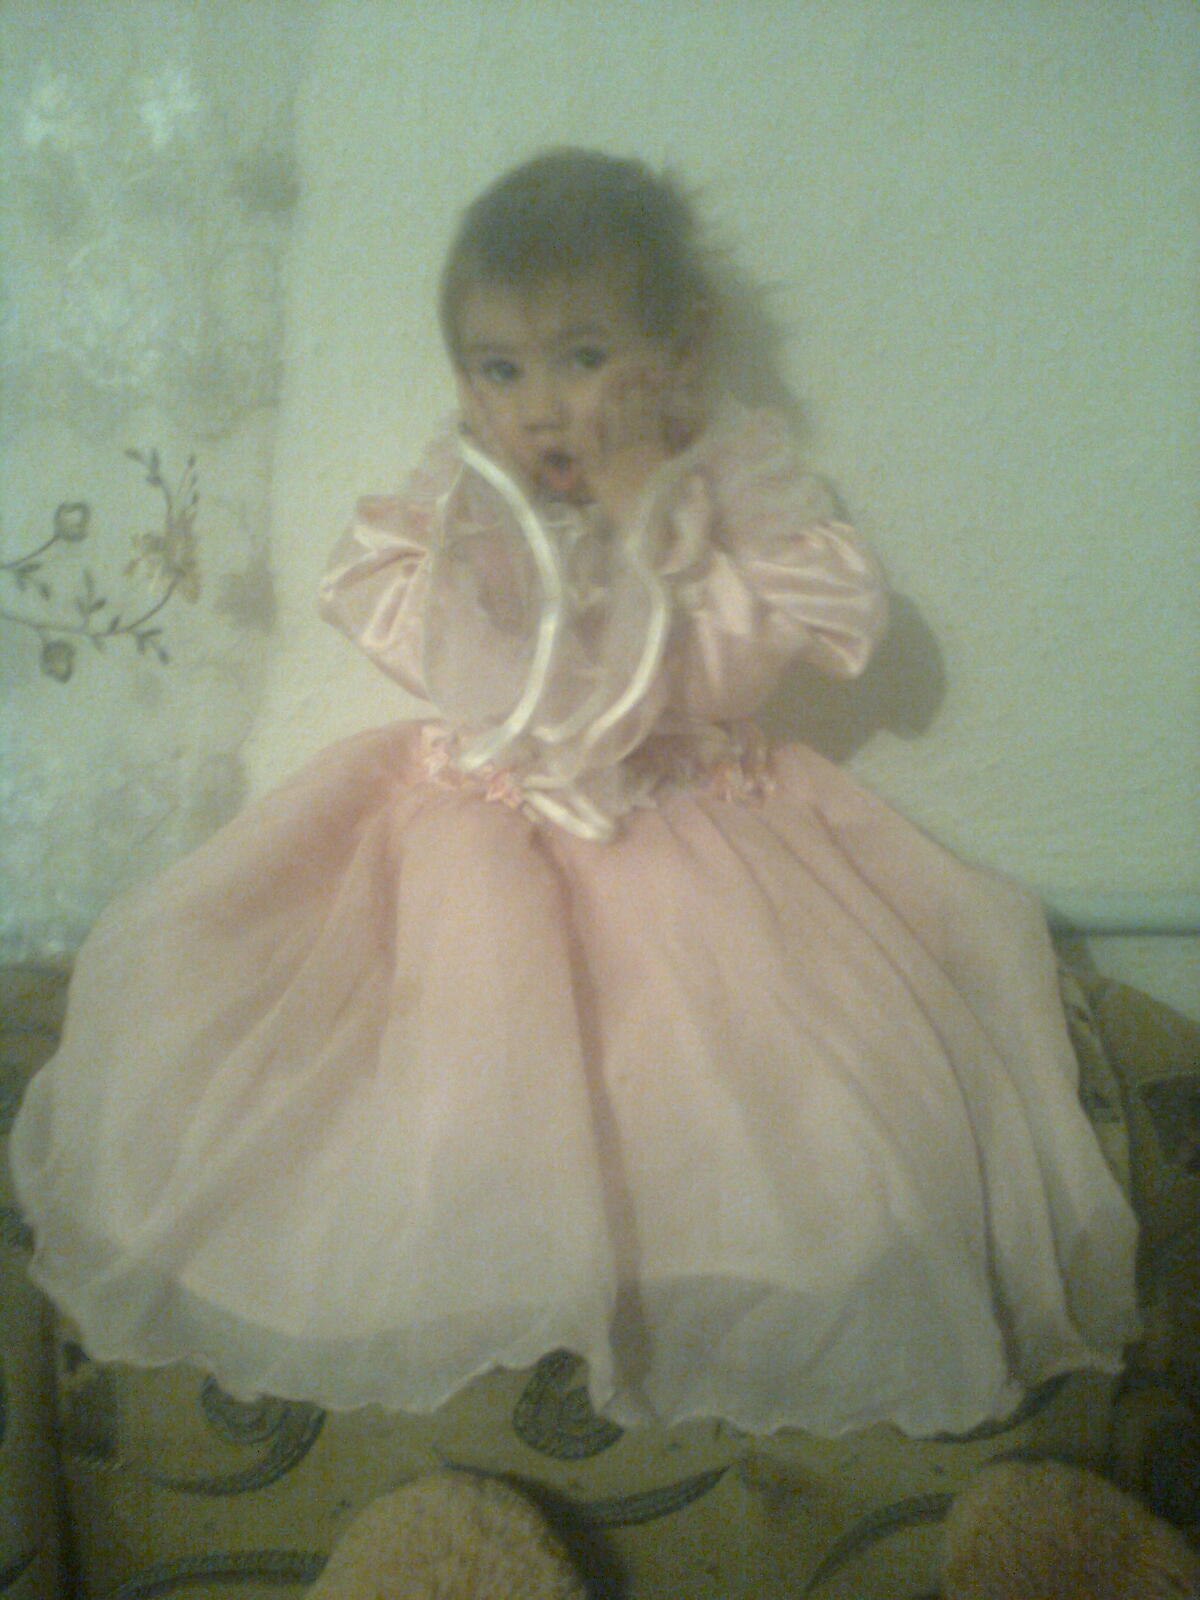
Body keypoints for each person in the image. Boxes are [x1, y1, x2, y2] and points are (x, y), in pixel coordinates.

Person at [10, 149, 1140, 1437]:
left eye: (584, 357)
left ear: (681, 348)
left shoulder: (728, 479)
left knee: (758, 1127)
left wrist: (648, 518)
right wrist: (507, 574)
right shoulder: (463, 491)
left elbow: (735, 672)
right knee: (420, 1091)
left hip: (686, 818)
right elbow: (438, 649)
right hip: (481, 819)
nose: (541, 406)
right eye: (498, 369)